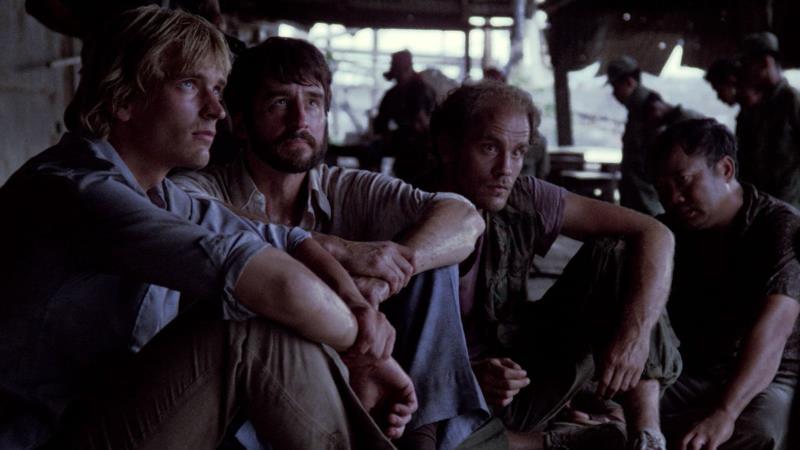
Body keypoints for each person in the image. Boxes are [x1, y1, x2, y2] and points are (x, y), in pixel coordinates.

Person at [0, 7, 409, 449]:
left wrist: (360, 309)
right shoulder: (79, 192)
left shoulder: (160, 194)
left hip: (109, 418)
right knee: (247, 327)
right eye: (189, 85)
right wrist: (366, 350)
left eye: (217, 89)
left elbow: (289, 242)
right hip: (47, 439)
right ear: (122, 99)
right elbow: (280, 286)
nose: (217, 110)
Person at [172, 37, 488, 450]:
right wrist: (338, 251)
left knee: (431, 263)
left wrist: (396, 270)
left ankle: (423, 439)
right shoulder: (199, 187)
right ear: (241, 121)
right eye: (280, 103)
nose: (301, 120)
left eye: (314, 103)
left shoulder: (343, 186)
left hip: (358, 375)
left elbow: (464, 216)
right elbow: (188, 214)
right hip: (249, 395)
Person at [421, 81, 681, 450]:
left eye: (518, 152)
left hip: (521, 372)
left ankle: (647, 436)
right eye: (489, 148)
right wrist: (467, 377)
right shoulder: (411, 210)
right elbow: (390, 355)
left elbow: (655, 233)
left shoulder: (524, 196)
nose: (505, 169)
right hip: (451, 392)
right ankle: (559, 440)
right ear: (448, 147)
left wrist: (634, 338)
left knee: (617, 252)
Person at [650, 118, 800, 450]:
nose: (673, 198)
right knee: (615, 410)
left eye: (683, 181)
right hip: (696, 369)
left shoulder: (778, 226)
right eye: (662, 189)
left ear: (726, 169)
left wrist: (725, 412)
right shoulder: (668, 230)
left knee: (759, 431)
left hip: (772, 372)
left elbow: (773, 332)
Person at [736, 31, 800, 209]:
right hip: (765, 201)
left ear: (765, 63)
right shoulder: (758, 105)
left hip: (789, 205)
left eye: (748, 64)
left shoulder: (792, 100)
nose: (745, 71)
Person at [607, 56, 664, 216]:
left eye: (615, 86)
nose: (614, 93)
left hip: (648, 201)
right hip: (640, 199)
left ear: (629, 82)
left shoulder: (651, 109)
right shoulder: (637, 109)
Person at [373, 49, 438, 183]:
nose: (397, 77)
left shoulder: (422, 91)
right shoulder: (393, 94)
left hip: (423, 155)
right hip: (406, 154)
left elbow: (425, 123)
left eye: (399, 72)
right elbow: (379, 125)